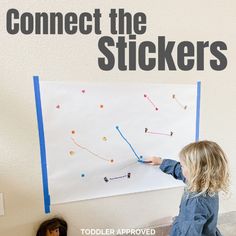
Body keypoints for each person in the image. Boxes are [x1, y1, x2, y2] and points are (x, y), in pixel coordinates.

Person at [148, 140, 229, 236]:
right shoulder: (205, 183)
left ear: (195, 171)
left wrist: (183, 222)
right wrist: (161, 162)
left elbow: (189, 232)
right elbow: (178, 169)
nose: (180, 167)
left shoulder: (196, 203)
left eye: (182, 166)